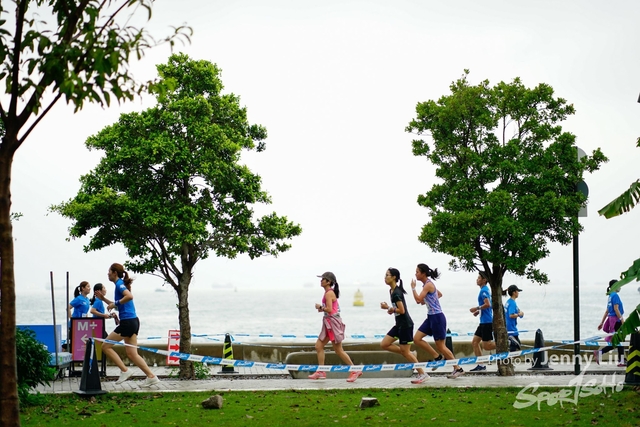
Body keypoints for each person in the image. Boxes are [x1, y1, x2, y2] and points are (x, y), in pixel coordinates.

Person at [100, 263, 160, 387]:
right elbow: (118, 304)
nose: (108, 274)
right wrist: (104, 299)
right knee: (132, 354)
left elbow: (129, 296)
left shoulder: (119, 284)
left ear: (115, 273)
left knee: (105, 346)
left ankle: (125, 370)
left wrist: (114, 303)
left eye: (109, 271)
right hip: (133, 321)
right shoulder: (119, 284)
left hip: (127, 322)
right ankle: (151, 377)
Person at [411, 263, 464, 381]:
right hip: (430, 317)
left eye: (417, 272)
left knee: (441, 346)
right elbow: (438, 294)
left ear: (423, 273)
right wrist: (429, 301)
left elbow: (418, 300)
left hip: (437, 317)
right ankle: (437, 357)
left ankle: (458, 368)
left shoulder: (428, 285)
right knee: (417, 339)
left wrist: (413, 288)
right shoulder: (427, 285)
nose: (416, 274)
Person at [308, 272, 362, 382]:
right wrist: (322, 309)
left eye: (323, 279)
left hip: (332, 323)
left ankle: (355, 370)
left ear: (329, 282)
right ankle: (321, 371)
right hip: (328, 323)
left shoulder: (329, 293)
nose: (321, 281)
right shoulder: (328, 293)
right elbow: (331, 308)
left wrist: (320, 307)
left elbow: (328, 309)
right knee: (319, 346)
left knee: (338, 350)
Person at [379, 268, 428, 383]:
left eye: (387, 275)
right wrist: (391, 309)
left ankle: (423, 374)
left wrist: (388, 308)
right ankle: (408, 353)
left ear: (394, 277)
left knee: (405, 352)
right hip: (399, 325)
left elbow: (402, 310)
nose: (385, 277)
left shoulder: (396, 292)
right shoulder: (392, 291)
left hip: (406, 325)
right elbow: (397, 310)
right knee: (384, 344)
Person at [594, 279, 626, 367]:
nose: (620, 287)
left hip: (612, 320)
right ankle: (621, 360)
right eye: (619, 285)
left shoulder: (610, 296)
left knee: (617, 341)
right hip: (616, 321)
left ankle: (601, 353)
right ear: (614, 286)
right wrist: (622, 319)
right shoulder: (615, 295)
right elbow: (616, 309)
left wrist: (602, 322)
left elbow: (607, 311)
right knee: (620, 341)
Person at [469, 272, 496, 371]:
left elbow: (488, 304)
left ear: (484, 280)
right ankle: (481, 365)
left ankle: (507, 343)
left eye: (479, 278)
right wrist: (478, 311)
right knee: (475, 342)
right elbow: (488, 305)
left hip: (487, 322)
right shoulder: (485, 290)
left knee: (487, 346)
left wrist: (476, 308)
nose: (477, 279)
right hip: (483, 321)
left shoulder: (484, 290)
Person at [503, 285, 524, 351]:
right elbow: (511, 315)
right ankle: (512, 360)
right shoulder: (512, 303)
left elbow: (518, 311)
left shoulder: (508, 302)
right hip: (511, 329)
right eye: (517, 291)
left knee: (515, 348)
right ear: (514, 292)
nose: (518, 293)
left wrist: (521, 313)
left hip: (508, 327)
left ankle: (511, 360)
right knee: (516, 349)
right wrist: (518, 314)